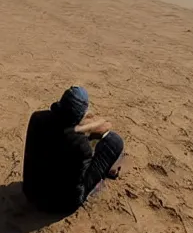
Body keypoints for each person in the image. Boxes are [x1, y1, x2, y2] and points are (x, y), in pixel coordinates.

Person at [22, 86, 124, 214]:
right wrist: (92, 130)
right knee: (114, 141)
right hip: (62, 206)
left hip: (32, 191)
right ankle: (111, 171)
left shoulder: (37, 118)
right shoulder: (81, 146)